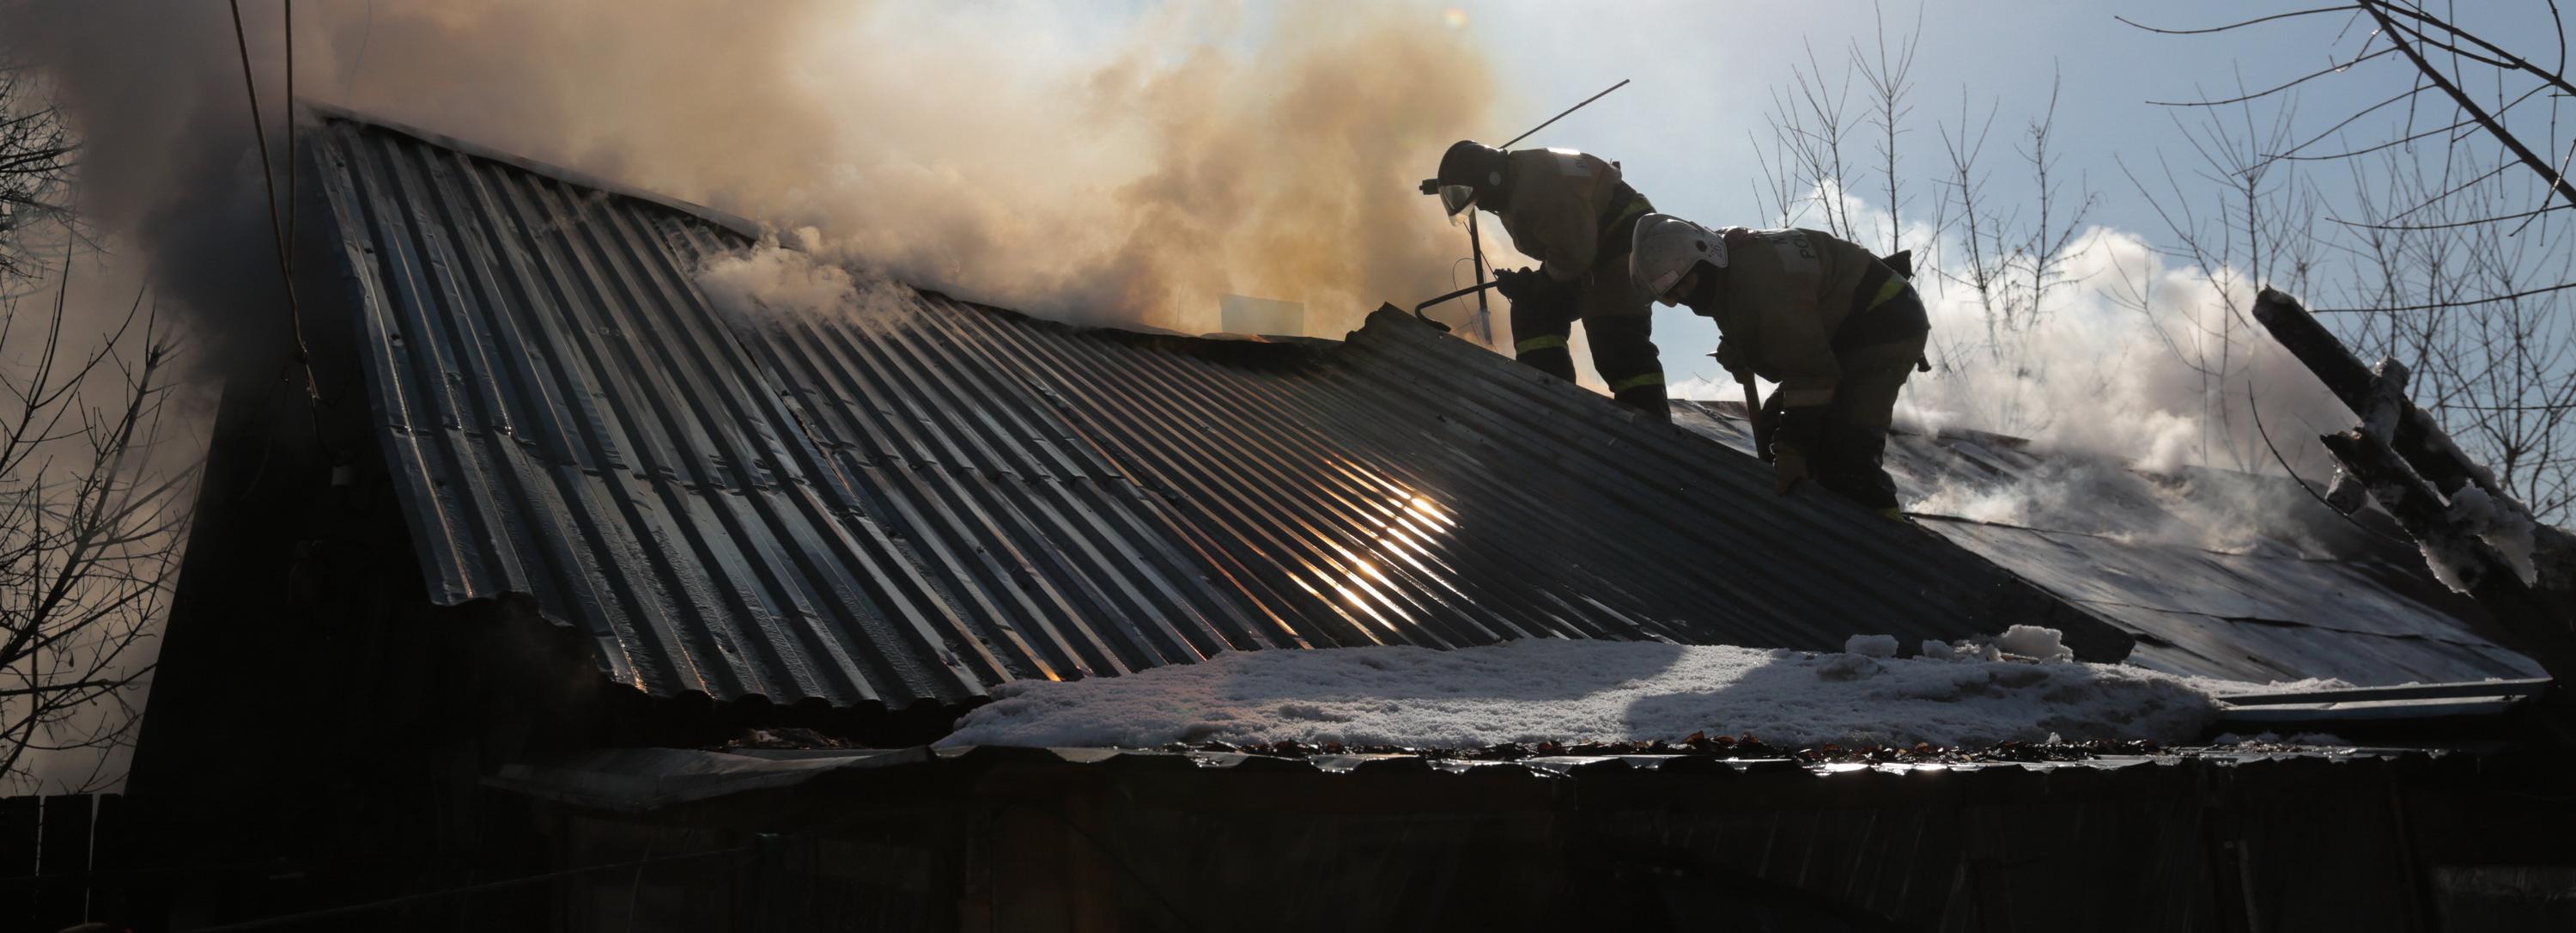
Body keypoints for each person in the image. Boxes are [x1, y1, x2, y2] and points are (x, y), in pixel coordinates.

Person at [1628, 214, 1929, 517]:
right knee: (1775, 429)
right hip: (1837, 335)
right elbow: (1775, 329)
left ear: (1704, 260)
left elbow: (1810, 371)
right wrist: (1739, 347)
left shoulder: (1760, 280)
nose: (1684, 299)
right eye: (1672, 296)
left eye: (1685, 285)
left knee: (1846, 451)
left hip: (1885, 322)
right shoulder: (1727, 260)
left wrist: (1794, 448)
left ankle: (1887, 542)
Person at [1425, 140, 1668, 418]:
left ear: (1490, 179)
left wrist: (1537, 283)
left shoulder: (1538, 187)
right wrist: (1531, 287)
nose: (1480, 207)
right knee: (1532, 308)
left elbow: (1575, 254)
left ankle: (1652, 426)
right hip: (1595, 251)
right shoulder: (1517, 185)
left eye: (1478, 198)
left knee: (1613, 334)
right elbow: (1567, 252)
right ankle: (1547, 405)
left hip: (1625, 241)